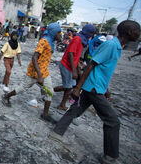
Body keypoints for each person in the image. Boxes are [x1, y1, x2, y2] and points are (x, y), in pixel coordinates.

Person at [50, 20, 141, 164]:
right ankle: (110, 157)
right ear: (129, 32)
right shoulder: (111, 45)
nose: (139, 33)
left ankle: (56, 132)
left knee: (75, 110)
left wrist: (107, 89)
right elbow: (91, 65)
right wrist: (78, 88)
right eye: (137, 30)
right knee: (112, 121)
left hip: (97, 87)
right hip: (93, 88)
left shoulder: (117, 46)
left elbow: (103, 70)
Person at [1, 23, 62, 123]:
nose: (60, 35)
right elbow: (34, 57)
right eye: (58, 33)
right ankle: (6, 96)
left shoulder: (51, 42)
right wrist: (39, 75)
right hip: (35, 72)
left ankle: (45, 114)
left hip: (44, 71)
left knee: (50, 91)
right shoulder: (44, 41)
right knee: (23, 87)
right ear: (53, 32)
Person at [53, 24, 96, 110]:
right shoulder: (77, 39)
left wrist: (78, 66)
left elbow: (76, 55)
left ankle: (53, 90)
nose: (91, 35)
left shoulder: (82, 41)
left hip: (71, 65)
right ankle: (62, 104)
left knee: (70, 86)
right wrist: (74, 70)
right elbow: (70, 54)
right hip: (66, 65)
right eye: (91, 33)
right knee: (68, 87)